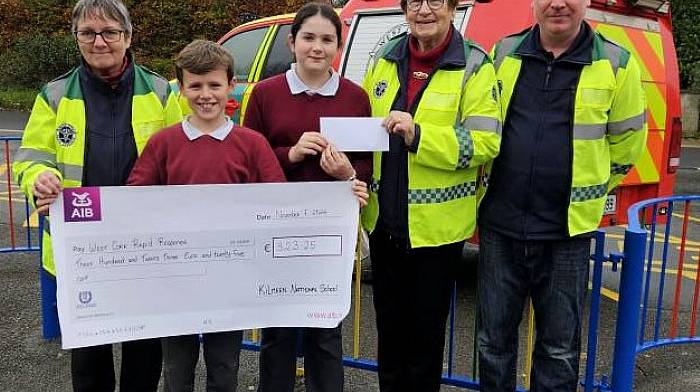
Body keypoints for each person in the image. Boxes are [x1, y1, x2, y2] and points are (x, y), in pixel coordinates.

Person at [477, 0, 648, 390]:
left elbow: (627, 147)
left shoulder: (617, 64)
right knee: (492, 343)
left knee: (558, 350)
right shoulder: (503, 52)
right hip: (499, 226)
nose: (558, 3)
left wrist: (589, 191)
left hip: (566, 234)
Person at [12, 0, 182, 390]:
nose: (99, 41)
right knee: (89, 353)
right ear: (77, 38)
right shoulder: (54, 94)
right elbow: (33, 155)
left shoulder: (159, 90)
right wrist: (39, 177)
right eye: (87, 33)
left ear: (128, 36)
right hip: (81, 245)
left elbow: (181, 155)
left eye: (109, 32)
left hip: (145, 242)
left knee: (144, 345)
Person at [126, 39, 285, 392]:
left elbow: (278, 199)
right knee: (177, 368)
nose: (205, 94)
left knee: (224, 366)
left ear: (231, 86)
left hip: (230, 279)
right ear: (180, 88)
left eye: (214, 84)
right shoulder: (164, 143)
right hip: (175, 279)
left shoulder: (251, 143)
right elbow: (135, 197)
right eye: (195, 85)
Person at [360, 0, 502, 390]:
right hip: (384, 225)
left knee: (423, 347)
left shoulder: (475, 64)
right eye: (414, 2)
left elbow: (486, 142)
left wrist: (419, 134)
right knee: (388, 341)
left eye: (435, 1)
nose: (424, 10)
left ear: (452, 7)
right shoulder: (385, 59)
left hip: (437, 234)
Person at [243, 3, 371, 391]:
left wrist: (346, 172)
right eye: (309, 38)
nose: (317, 47)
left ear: (338, 45)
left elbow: (366, 166)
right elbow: (251, 158)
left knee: (326, 329)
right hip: (277, 226)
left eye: (327, 39)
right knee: (278, 330)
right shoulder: (265, 94)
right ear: (292, 41)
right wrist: (290, 155)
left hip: (329, 230)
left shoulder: (355, 97)